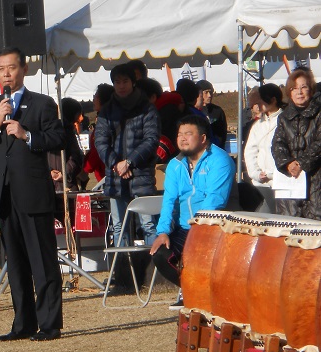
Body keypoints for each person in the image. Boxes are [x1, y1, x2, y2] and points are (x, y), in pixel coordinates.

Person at [0, 47, 65, 342]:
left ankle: (50, 325)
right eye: (1, 69)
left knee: (42, 261)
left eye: (11, 68)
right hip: (4, 194)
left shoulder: (42, 104)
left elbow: (60, 138)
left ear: (24, 70)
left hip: (34, 192)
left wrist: (28, 135)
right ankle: (23, 323)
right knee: (16, 265)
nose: (6, 74)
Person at [149, 115, 235, 304]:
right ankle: (194, 291)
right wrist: (163, 231)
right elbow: (169, 201)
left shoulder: (219, 160)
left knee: (196, 253)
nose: (182, 138)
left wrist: (197, 229)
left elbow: (214, 201)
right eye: (180, 134)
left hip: (212, 227)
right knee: (161, 254)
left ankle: (202, 294)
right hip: (184, 227)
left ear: (203, 138)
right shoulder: (175, 164)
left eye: (188, 134)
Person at [95, 63, 160, 247]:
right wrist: (116, 164)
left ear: (133, 83)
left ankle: (152, 271)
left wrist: (130, 162)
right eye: (117, 82)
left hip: (141, 176)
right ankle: (123, 271)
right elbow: (100, 141)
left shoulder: (147, 109)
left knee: (148, 225)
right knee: (119, 227)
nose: (121, 85)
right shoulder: (107, 111)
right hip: (116, 178)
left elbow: (151, 140)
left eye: (125, 81)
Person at [271, 69, 321, 219]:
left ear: (311, 90)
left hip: (316, 181)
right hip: (290, 183)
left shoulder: (319, 114)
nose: (299, 92)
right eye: (294, 88)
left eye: (303, 87)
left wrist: (301, 163)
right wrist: (287, 163)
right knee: (289, 225)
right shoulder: (283, 118)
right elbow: (277, 144)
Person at [244, 84, 284, 213]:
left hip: (282, 183)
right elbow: (250, 152)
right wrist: (256, 174)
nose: (257, 104)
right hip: (261, 184)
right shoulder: (258, 125)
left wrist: (273, 174)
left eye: (261, 100)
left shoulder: (286, 120)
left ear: (273, 100)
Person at [83, 83, 113, 183]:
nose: (93, 100)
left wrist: (87, 167)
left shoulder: (106, 120)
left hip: (108, 174)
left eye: (95, 97)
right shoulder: (102, 118)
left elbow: (99, 148)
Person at [197, 79, 227, 148]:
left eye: (211, 92)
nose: (209, 95)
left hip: (216, 148)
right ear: (200, 93)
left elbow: (222, 134)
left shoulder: (218, 111)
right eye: (206, 92)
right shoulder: (194, 111)